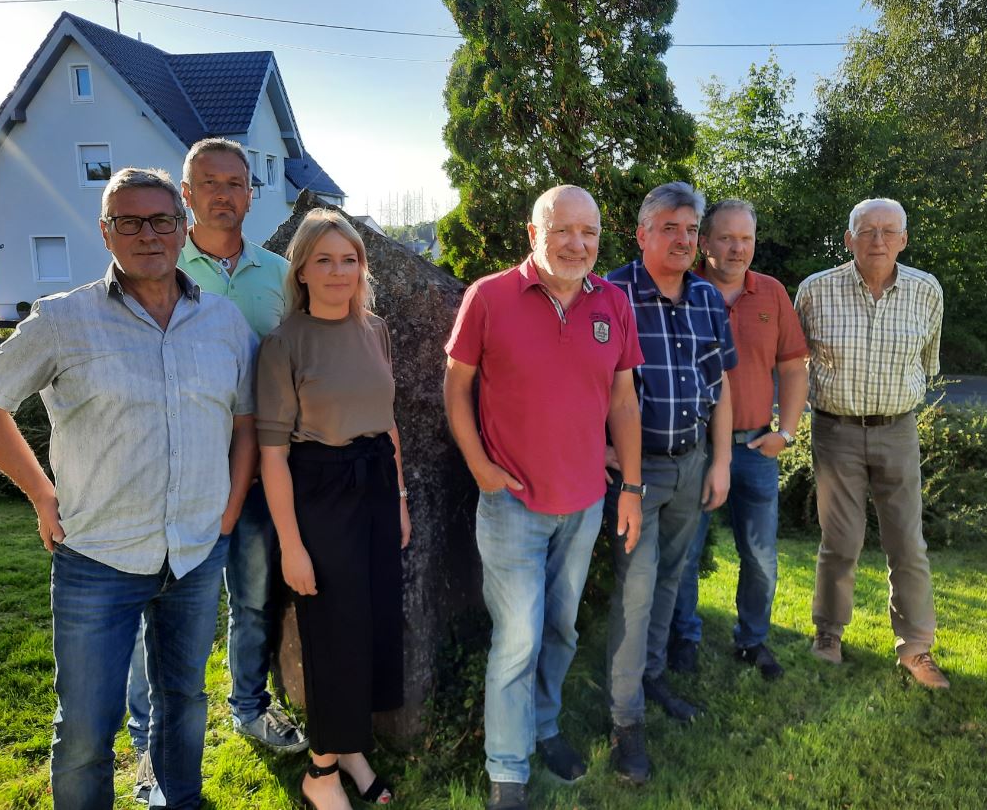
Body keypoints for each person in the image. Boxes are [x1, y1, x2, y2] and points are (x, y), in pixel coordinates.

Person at [0, 167, 258, 809]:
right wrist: (42, 493)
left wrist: (229, 510)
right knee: (88, 732)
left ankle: (180, 802)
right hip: (98, 557)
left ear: (182, 229)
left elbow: (246, 424)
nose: (146, 234)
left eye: (160, 220)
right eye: (129, 221)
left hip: (197, 554)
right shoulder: (63, 320)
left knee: (183, 704)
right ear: (105, 232)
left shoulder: (225, 323)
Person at [444, 185, 645, 810]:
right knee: (518, 638)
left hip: (584, 503)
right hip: (511, 505)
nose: (577, 244)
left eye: (588, 233)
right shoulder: (489, 297)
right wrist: (478, 465)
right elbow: (457, 388)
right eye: (562, 230)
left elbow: (622, 402)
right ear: (534, 232)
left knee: (560, 628)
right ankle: (507, 772)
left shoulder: (613, 303)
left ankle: (545, 725)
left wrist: (631, 488)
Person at [125, 138, 303, 803]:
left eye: (237, 182)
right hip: (176, 477)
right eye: (210, 182)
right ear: (186, 192)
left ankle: (249, 706)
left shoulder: (280, 275)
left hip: (260, 479)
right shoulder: (157, 264)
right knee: (160, 614)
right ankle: (150, 745)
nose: (225, 194)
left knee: (253, 601)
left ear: (251, 194)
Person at [255, 209, 411, 810]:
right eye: (324, 259)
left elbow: (388, 423)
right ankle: (320, 772)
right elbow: (272, 458)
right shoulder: (283, 344)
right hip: (319, 494)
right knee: (332, 632)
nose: (339, 271)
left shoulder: (376, 330)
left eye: (349, 259)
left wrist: (398, 499)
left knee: (370, 624)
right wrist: (292, 546)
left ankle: (350, 749)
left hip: (373, 486)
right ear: (302, 268)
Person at [601, 182, 735, 783]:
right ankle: (625, 722)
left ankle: (651, 678)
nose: (683, 239)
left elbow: (721, 387)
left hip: (692, 464)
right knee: (635, 589)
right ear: (643, 233)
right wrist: (600, 446)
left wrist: (721, 461)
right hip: (637, 471)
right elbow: (583, 379)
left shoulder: (707, 297)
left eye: (690, 229)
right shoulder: (610, 293)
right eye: (670, 228)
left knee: (669, 582)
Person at [794, 197, 949, 689]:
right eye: (866, 231)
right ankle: (828, 634)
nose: (877, 241)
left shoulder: (927, 291)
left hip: (898, 429)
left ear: (904, 240)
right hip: (835, 431)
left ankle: (916, 649)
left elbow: (928, 362)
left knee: (907, 541)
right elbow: (796, 363)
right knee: (839, 542)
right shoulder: (815, 292)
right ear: (848, 240)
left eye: (888, 232)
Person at [668, 199, 808, 681]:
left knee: (762, 556)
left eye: (746, 239)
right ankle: (683, 638)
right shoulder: (681, 291)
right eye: (726, 238)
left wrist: (785, 433)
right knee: (686, 553)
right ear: (704, 243)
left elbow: (792, 366)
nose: (737, 248)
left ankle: (752, 641)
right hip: (694, 449)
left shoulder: (770, 293)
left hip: (754, 449)